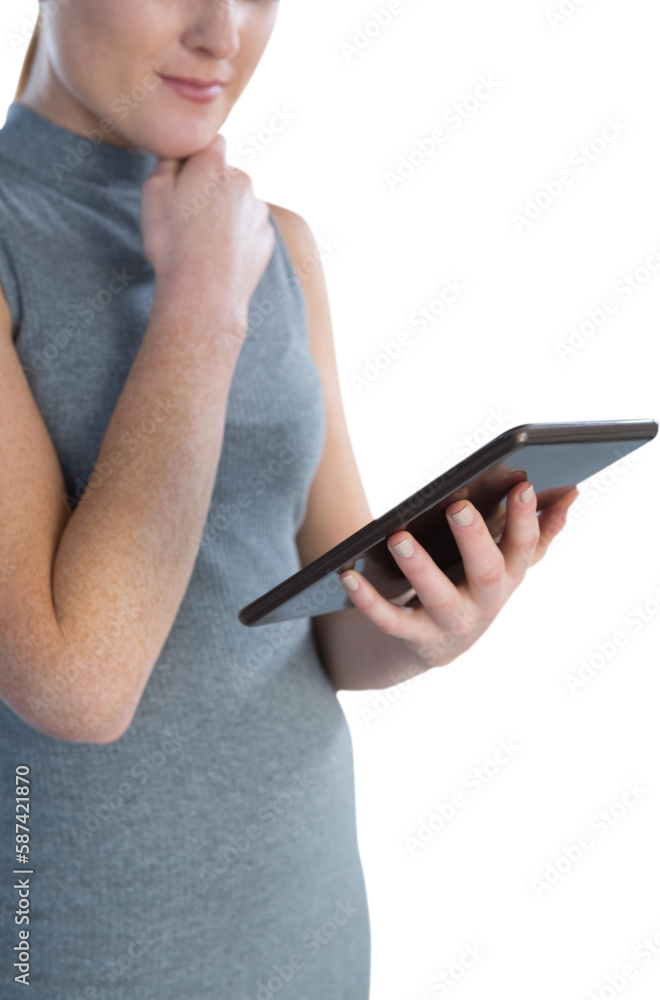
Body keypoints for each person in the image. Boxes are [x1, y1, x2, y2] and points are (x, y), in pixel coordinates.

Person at [0, 2, 579, 996]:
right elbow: (75, 688)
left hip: (307, 927)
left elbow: (325, 620)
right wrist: (201, 303)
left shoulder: (278, 246)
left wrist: (431, 621)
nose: (222, 34)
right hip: (83, 949)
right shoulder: (122, 256)